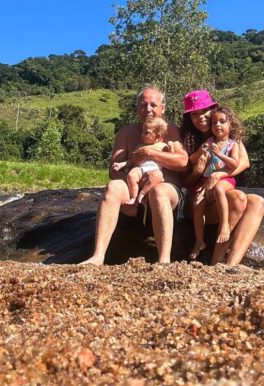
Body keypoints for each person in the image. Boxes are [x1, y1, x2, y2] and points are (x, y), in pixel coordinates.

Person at [81, 86, 188, 265]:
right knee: (113, 187)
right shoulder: (126, 133)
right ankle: (98, 256)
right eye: (143, 105)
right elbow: (113, 171)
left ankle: (164, 261)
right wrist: (135, 177)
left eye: (153, 105)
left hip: (165, 191)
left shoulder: (172, 131)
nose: (148, 109)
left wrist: (149, 153)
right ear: (137, 107)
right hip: (133, 192)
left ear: (163, 108)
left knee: (159, 191)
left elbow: (182, 162)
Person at [180, 90, 264, 265]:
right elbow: (183, 182)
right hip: (197, 199)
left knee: (257, 201)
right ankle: (214, 261)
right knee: (237, 197)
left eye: (204, 111)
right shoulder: (188, 141)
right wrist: (198, 170)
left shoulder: (229, 138)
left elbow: (244, 163)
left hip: (219, 191)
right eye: (194, 114)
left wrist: (218, 175)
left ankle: (230, 265)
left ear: (213, 110)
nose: (200, 117)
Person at [190, 105, 244, 259]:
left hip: (225, 179)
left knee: (219, 189)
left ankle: (225, 225)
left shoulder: (233, 144)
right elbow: (194, 158)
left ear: (231, 125)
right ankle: (199, 241)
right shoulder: (210, 141)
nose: (217, 125)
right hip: (208, 179)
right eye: (214, 122)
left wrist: (219, 154)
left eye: (222, 121)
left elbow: (234, 164)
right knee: (197, 203)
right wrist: (203, 153)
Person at [111, 116, 168, 208]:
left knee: (157, 175)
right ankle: (134, 197)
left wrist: (172, 147)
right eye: (142, 131)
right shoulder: (140, 147)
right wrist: (121, 165)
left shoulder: (163, 146)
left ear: (157, 136)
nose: (142, 135)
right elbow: (132, 161)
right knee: (131, 175)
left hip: (155, 170)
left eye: (146, 133)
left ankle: (142, 194)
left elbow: (169, 158)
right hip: (141, 169)